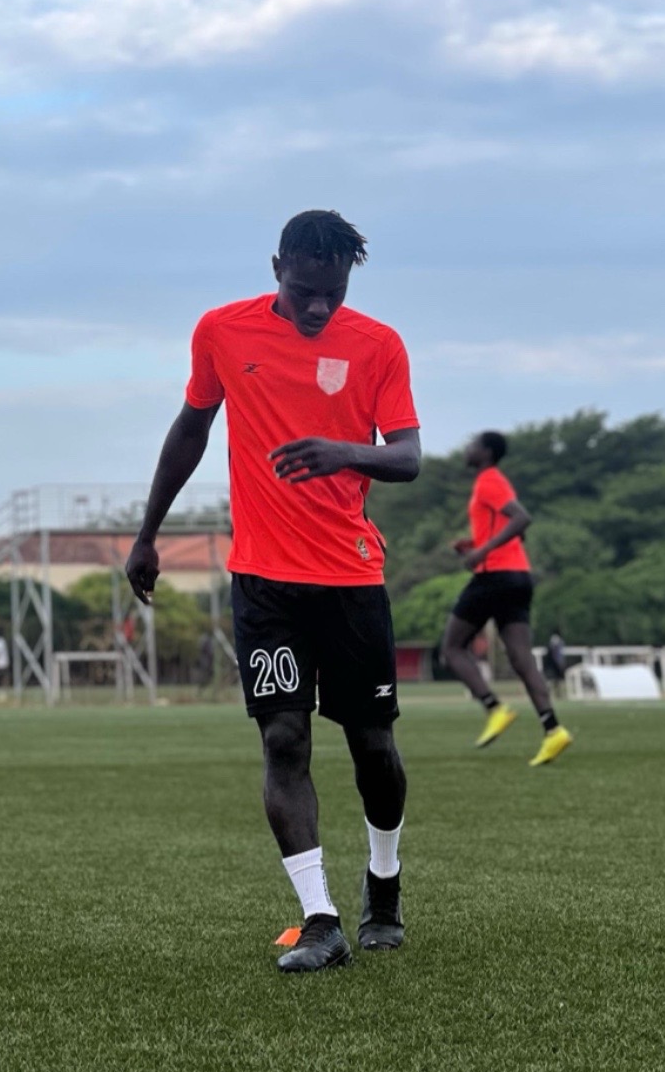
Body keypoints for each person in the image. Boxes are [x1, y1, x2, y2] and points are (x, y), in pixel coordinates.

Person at [124, 210, 421, 973]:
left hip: (351, 577)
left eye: (333, 292)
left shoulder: (379, 345)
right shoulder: (222, 331)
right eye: (304, 290)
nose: (319, 306)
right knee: (283, 738)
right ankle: (320, 919)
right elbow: (191, 429)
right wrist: (148, 533)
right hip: (263, 582)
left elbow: (408, 457)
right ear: (276, 268)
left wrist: (343, 452)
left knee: (372, 746)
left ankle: (383, 881)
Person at [440, 431, 572, 767]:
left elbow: (522, 518)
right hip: (518, 577)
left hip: (495, 577)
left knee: (452, 648)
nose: (467, 448)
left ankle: (494, 708)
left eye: (473, 444)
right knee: (521, 658)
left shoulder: (489, 480)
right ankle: (553, 730)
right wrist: (473, 544)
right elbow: (517, 532)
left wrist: (482, 551)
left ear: (486, 452)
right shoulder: (495, 482)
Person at [545, 629, 567, 698]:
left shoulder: (554, 641)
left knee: (555, 680)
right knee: (554, 680)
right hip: (555, 664)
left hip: (554, 663)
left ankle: (556, 694)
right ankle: (556, 694)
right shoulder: (558, 641)